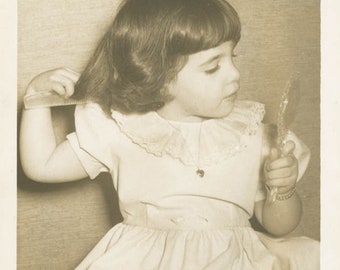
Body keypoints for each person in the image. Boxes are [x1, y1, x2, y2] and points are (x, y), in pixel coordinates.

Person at [19, 0, 319, 269]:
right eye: (213, 67)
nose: (234, 74)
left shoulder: (253, 134)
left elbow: (279, 226)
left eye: (233, 57)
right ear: (158, 79)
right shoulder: (123, 129)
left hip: (235, 259)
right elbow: (41, 166)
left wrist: (284, 189)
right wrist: (35, 100)